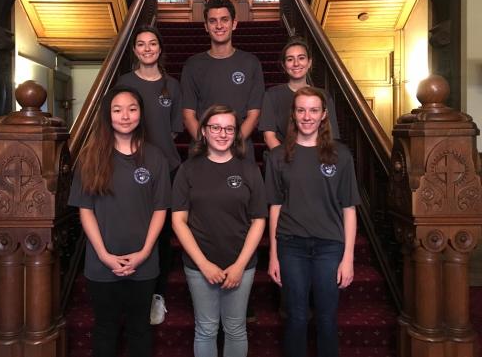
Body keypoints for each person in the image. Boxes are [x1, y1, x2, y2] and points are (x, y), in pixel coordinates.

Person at [68, 85, 171, 357]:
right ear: (107, 115)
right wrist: (104, 255)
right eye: (117, 109)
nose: (125, 116)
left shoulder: (155, 157)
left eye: (132, 109)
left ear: (141, 114)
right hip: (101, 265)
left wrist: (145, 253)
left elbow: (161, 209)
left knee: (140, 330)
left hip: (144, 263)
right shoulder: (91, 156)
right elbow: (85, 210)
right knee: (105, 329)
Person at [265, 86, 360, 357]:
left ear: (324, 115)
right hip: (291, 245)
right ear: (293, 115)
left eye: (314, 110)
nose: (307, 116)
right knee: (295, 316)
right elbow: (275, 207)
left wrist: (348, 257)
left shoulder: (341, 156)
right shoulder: (278, 156)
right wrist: (273, 255)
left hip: (330, 247)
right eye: (301, 110)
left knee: (327, 318)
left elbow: (349, 209)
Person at [172, 104, 267, 357]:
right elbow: (178, 221)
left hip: (241, 263)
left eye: (229, 128)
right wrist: (203, 264)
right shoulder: (187, 170)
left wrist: (239, 265)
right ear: (204, 131)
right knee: (206, 328)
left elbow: (259, 220)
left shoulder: (249, 169)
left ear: (236, 133)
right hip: (199, 264)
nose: (222, 134)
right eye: (215, 127)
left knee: (235, 328)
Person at [117, 25, 182, 324]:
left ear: (159, 48)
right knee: (134, 228)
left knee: (162, 235)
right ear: (135, 50)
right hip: (130, 167)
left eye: (152, 43)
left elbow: (172, 129)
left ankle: (157, 295)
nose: (147, 49)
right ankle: (129, 291)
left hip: (166, 167)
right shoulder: (125, 82)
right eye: (141, 44)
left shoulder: (172, 85)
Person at [181, 0, 265, 161]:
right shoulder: (192, 65)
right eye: (213, 21)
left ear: (234, 23)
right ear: (206, 26)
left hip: (240, 149)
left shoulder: (251, 63)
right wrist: (210, 145)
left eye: (224, 20)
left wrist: (231, 144)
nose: (219, 25)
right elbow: (188, 115)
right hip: (203, 151)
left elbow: (254, 114)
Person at [259, 37, 340, 149]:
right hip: (283, 158)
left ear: (309, 62)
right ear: (284, 65)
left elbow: (331, 136)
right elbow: (269, 136)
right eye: (290, 59)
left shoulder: (324, 96)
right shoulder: (272, 95)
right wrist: (286, 162)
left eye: (301, 58)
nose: (296, 63)